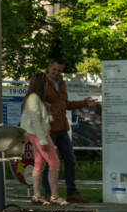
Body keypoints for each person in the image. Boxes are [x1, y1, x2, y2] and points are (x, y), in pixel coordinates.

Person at [42, 58, 99, 201]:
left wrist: (85, 103)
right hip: (47, 128)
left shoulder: (61, 83)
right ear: (49, 67)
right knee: (48, 162)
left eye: (59, 71)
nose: (56, 73)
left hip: (61, 128)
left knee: (70, 159)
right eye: (54, 70)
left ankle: (71, 193)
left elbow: (66, 104)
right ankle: (48, 193)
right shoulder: (41, 82)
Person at [19, 74, 63, 205]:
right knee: (54, 163)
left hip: (36, 134)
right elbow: (35, 120)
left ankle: (37, 196)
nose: (47, 85)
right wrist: (43, 140)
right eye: (46, 83)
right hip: (39, 135)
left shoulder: (34, 98)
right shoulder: (34, 98)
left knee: (39, 165)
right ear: (41, 83)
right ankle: (55, 196)